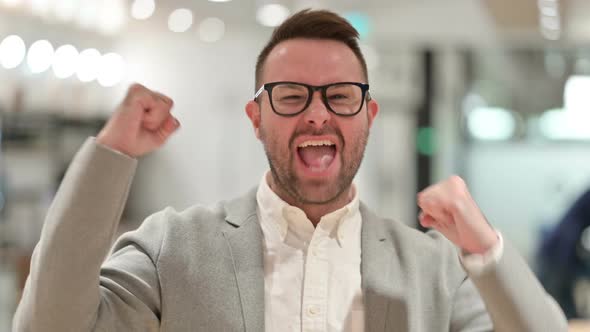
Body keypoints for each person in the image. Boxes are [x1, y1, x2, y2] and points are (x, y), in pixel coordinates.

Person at [13, 9, 566, 332]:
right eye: (292, 95)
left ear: (369, 116)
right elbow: (49, 323)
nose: (318, 112)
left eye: (341, 96)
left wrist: (485, 250)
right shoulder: (172, 248)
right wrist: (111, 157)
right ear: (256, 117)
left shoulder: (434, 271)